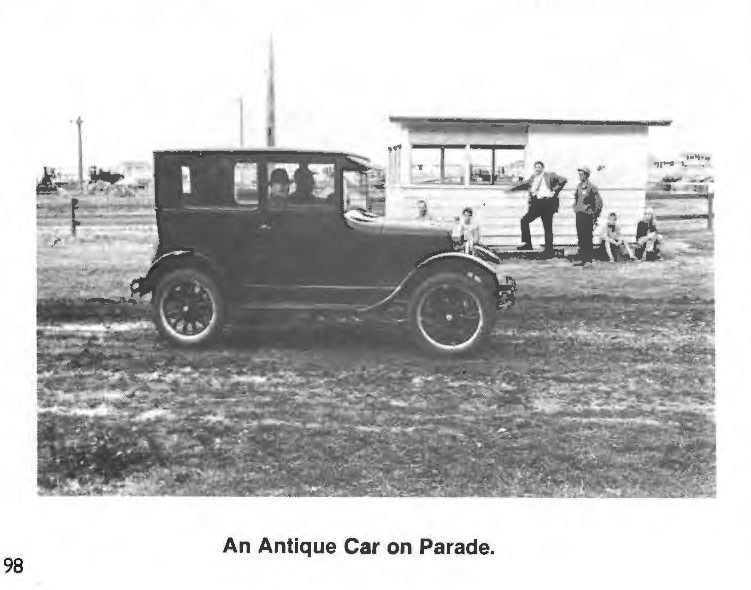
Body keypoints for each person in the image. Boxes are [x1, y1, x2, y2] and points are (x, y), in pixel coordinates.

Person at [511, 160, 567, 257]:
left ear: (542, 168)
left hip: (547, 204)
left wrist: (554, 191)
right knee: (524, 221)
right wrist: (513, 186)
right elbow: (524, 184)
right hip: (536, 205)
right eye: (536, 167)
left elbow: (563, 180)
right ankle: (527, 244)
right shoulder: (533, 178)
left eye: (539, 167)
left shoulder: (549, 175)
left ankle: (548, 249)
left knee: (547, 227)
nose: (537, 169)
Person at [572, 166, 603, 266]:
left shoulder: (592, 187)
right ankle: (582, 258)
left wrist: (595, 215)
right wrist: (576, 208)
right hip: (579, 215)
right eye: (579, 174)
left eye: (582, 174)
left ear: (586, 175)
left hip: (588, 216)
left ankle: (588, 259)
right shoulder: (578, 186)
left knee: (587, 237)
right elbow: (576, 199)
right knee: (580, 237)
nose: (580, 176)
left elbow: (599, 202)